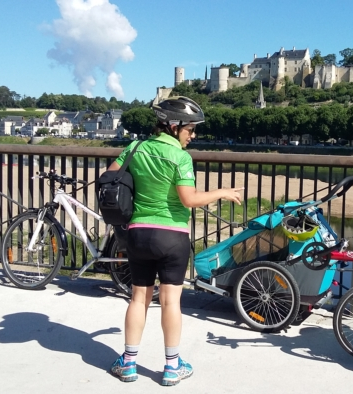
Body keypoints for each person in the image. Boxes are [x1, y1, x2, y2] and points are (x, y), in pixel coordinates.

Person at [107, 96, 243, 386]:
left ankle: (129, 363)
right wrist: (221, 192)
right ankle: (171, 367)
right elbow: (189, 199)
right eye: (190, 129)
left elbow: (109, 175)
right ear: (173, 126)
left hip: (139, 233)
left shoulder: (136, 147)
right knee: (170, 302)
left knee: (138, 298)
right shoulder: (181, 158)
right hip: (172, 237)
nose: (192, 136)